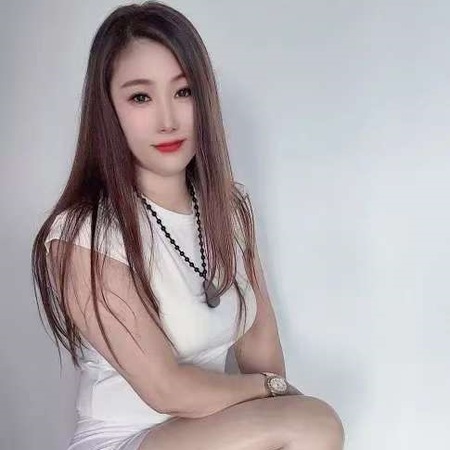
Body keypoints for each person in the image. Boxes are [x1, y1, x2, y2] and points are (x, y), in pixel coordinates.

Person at [31, 2, 345, 449]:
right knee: (314, 423)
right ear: (109, 110)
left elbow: (262, 352)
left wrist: (273, 393)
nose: (168, 120)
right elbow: (167, 391)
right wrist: (272, 393)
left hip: (212, 430)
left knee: (306, 424)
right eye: (140, 97)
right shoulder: (83, 234)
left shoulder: (229, 209)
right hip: (126, 438)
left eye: (184, 92)